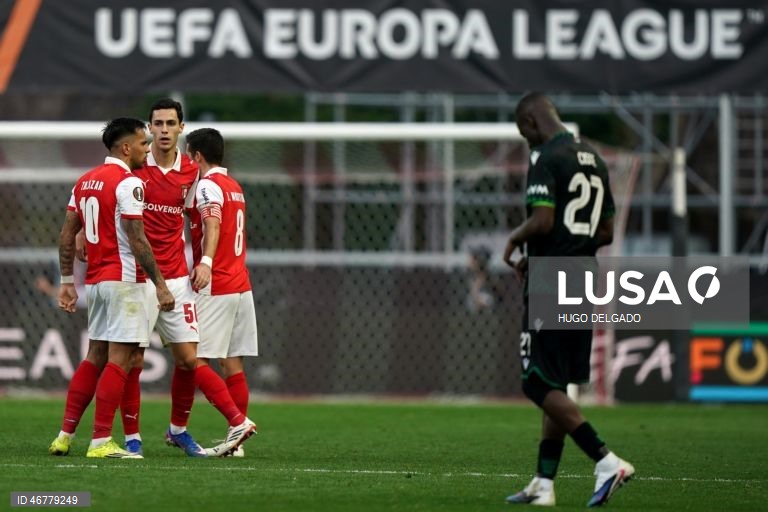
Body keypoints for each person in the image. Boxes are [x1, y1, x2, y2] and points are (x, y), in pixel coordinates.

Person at [502, 93, 634, 507]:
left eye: (523, 131)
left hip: (552, 280)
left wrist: (515, 239)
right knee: (556, 381)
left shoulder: (546, 158)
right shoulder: (594, 158)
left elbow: (541, 221)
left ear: (529, 121)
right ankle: (544, 483)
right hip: (582, 276)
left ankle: (606, 460)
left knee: (536, 381)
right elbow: (606, 232)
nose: (525, 139)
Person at [55, 117, 175, 458]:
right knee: (120, 361)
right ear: (126, 147)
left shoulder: (85, 181)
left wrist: (67, 281)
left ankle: (65, 435)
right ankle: (101, 441)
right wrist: (161, 284)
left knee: (95, 355)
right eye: (143, 143)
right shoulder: (128, 183)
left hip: (96, 281)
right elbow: (137, 239)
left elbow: (67, 237)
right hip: (124, 282)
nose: (147, 149)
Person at [184, 127, 259, 457]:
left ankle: (238, 422)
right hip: (241, 285)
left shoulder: (208, 186)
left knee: (192, 359)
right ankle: (237, 439)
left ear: (197, 156)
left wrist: (208, 262)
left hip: (217, 284)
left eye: (189, 154)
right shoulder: (234, 186)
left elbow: (213, 224)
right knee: (233, 365)